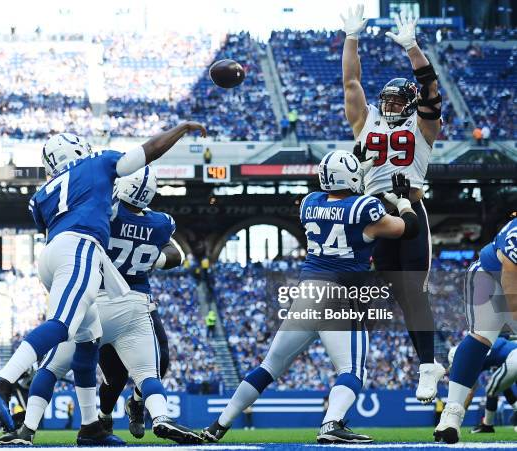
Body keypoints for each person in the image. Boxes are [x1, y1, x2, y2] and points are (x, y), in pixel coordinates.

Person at [0, 123, 206, 441]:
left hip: (54, 255)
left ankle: (89, 428)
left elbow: (52, 223)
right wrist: (181, 129)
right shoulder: (100, 164)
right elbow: (148, 151)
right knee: (62, 326)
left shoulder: (41, 195)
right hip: (84, 252)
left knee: (85, 345)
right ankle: (4, 379)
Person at [202, 150, 420, 444]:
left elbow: (341, 194)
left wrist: (360, 166)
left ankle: (218, 425)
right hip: (339, 295)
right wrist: (402, 201)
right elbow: (409, 228)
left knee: (269, 367)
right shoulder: (364, 209)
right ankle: (332, 423)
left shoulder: (310, 203)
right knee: (352, 370)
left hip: (305, 293)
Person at [341, 5, 444, 402]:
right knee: (369, 295)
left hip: (410, 210)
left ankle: (426, 366)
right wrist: (352, 37)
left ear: (410, 102)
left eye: (398, 100)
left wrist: (413, 49)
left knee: (413, 292)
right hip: (374, 215)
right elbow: (351, 83)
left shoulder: (423, 125)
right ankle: (350, 368)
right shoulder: (366, 121)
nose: (389, 105)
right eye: (386, 99)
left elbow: (432, 91)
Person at [434, 217, 517, 443]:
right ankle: (452, 414)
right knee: (482, 336)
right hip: (492, 278)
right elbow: (512, 287)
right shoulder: (515, 236)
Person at [444, 337, 517, 435]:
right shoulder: (477, 346)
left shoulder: (472, 358)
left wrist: (454, 419)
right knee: (497, 386)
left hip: (514, 357)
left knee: (492, 388)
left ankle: (487, 426)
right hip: (511, 355)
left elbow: (469, 393)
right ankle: (487, 425)